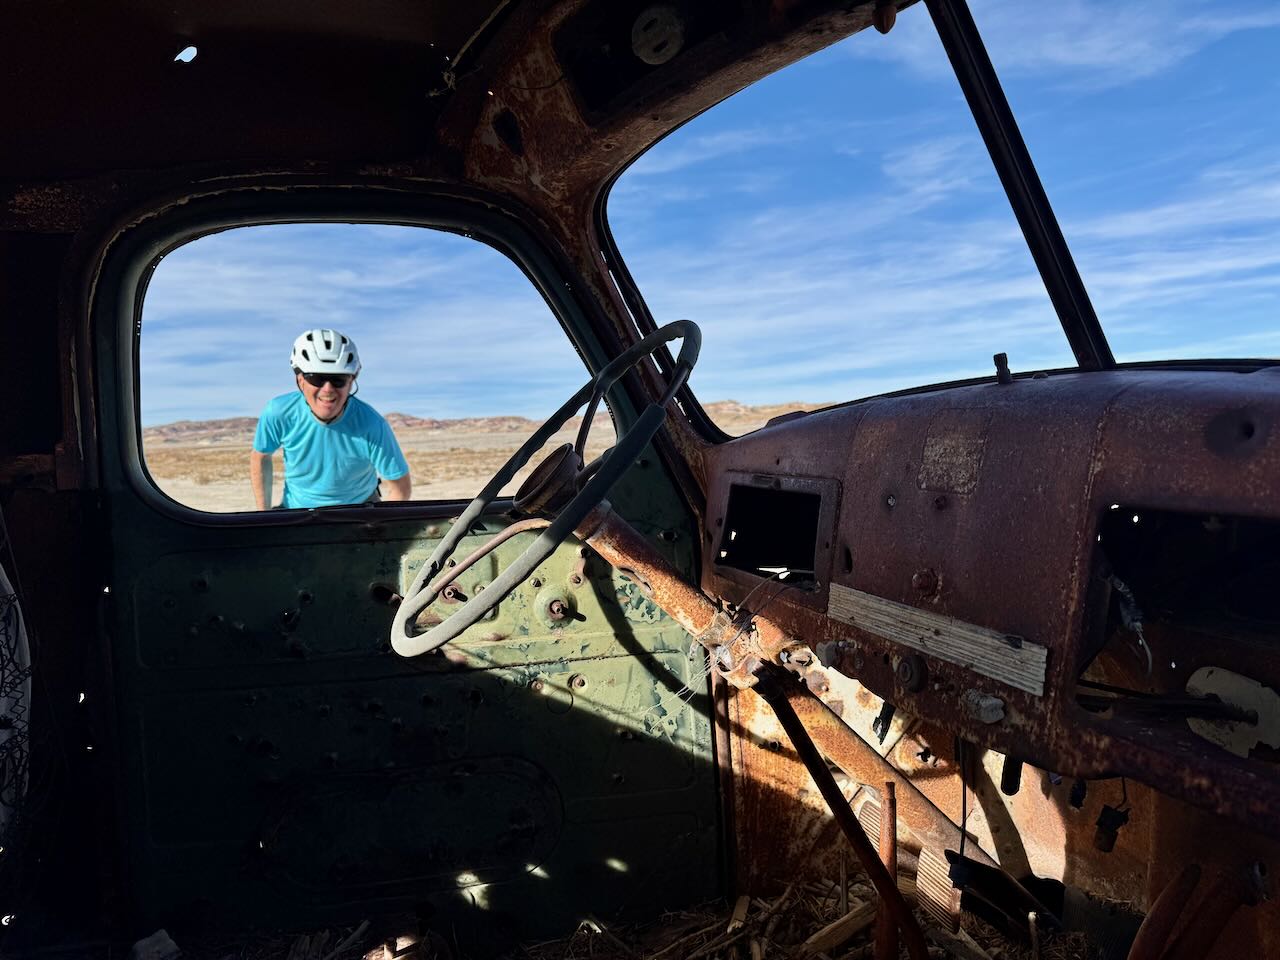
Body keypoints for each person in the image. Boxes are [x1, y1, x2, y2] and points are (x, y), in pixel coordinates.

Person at [250, 328, 412, 509]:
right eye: (316, 378)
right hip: (296, 510)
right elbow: (261, 456)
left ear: (352, 380)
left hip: (359, 511)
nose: (327, 389)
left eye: (338, 379)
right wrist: (262, 513)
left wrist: (372, 524)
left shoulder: (372, 425)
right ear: (300, 379)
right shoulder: (278, 412)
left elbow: (401, 490)